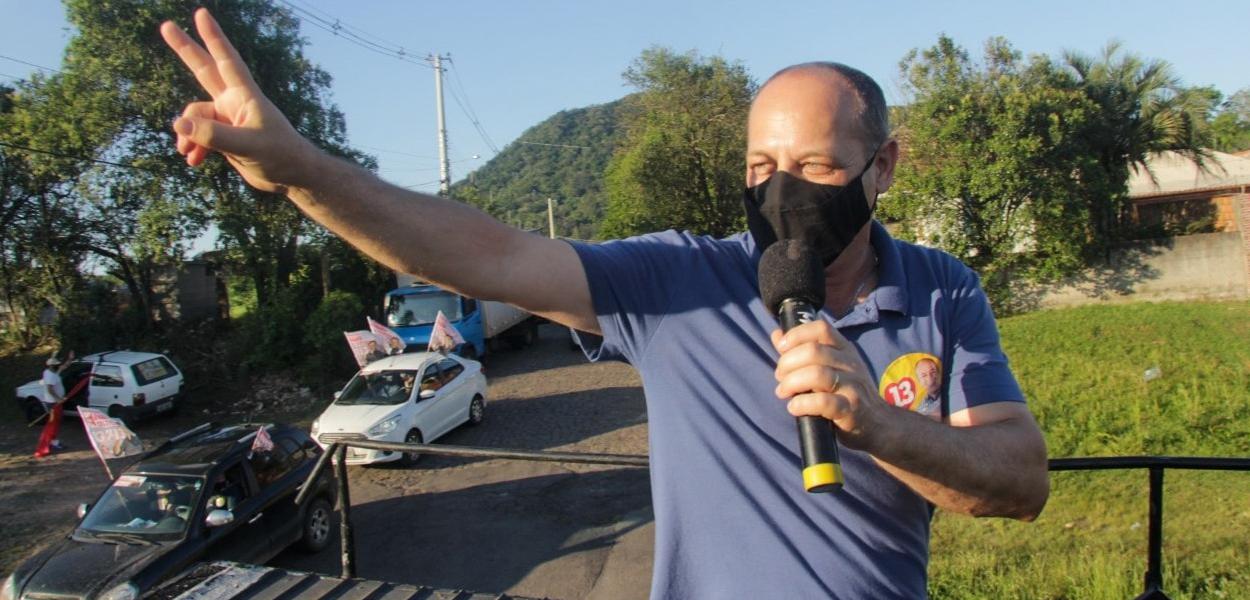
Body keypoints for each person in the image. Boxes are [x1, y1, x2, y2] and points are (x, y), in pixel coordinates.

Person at [160, 10, 1049, 597]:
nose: (782, 194)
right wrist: (302, 172)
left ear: (881, 166)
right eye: (757, 170)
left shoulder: (941, 287)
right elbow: (489, 255)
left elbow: (1019, 482)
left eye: (815, 168)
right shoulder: (675, 282)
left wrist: (879, 428)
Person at [34, 351, 75, 456]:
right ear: (52, 366)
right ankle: (47, 444)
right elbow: (50, 389)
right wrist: (58, 399)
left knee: (56, 423)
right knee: (52, 424)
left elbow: (64, 367)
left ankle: (53, 442)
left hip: (55, 403)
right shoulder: (50, 376)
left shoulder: (53, 372)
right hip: (53, 404)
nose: (59, 366)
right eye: (57, 365)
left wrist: (70, 359)